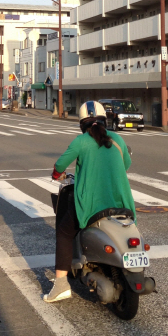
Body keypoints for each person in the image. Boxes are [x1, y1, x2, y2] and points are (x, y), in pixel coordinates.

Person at [43, 100, 135, 303]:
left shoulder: (81, 141)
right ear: (105, 120)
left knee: (65, 232)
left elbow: (60, 165)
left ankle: (61, 285)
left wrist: (57, 174)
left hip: (92, 204)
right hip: (121, 203)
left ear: (82, 124)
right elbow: (125, 164)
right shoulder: (117, 139)